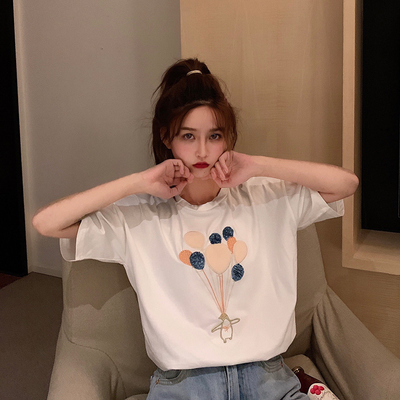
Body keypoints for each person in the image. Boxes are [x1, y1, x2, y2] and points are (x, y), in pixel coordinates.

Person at [33, 58, 359, 399]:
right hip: (185, 387)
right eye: (188, 136)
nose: (202, 150)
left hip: (270, 381)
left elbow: (346, 184)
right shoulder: (138, 216)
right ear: (166, 136)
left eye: (214, 136)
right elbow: (47, 222)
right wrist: (138, 181)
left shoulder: (267, 196)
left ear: (227, 137)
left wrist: (258, 165)